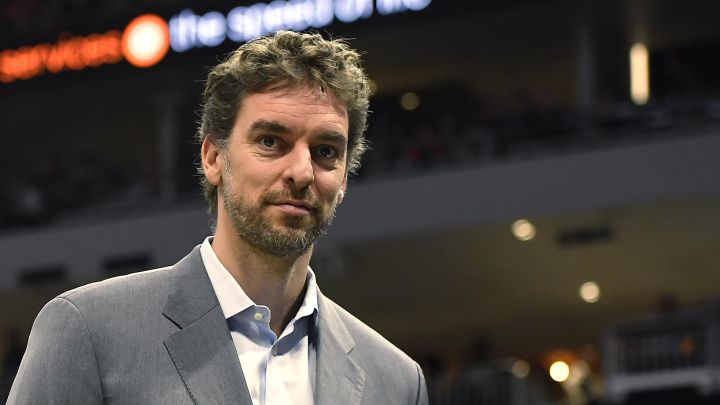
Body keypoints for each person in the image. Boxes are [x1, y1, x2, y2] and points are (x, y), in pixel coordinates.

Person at [8, 31, 428, 405]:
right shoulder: (89, 330)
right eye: (271, 141)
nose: (302, 172)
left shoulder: (397, 382)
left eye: (326, 151)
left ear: (344, 178)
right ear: (213, 158)